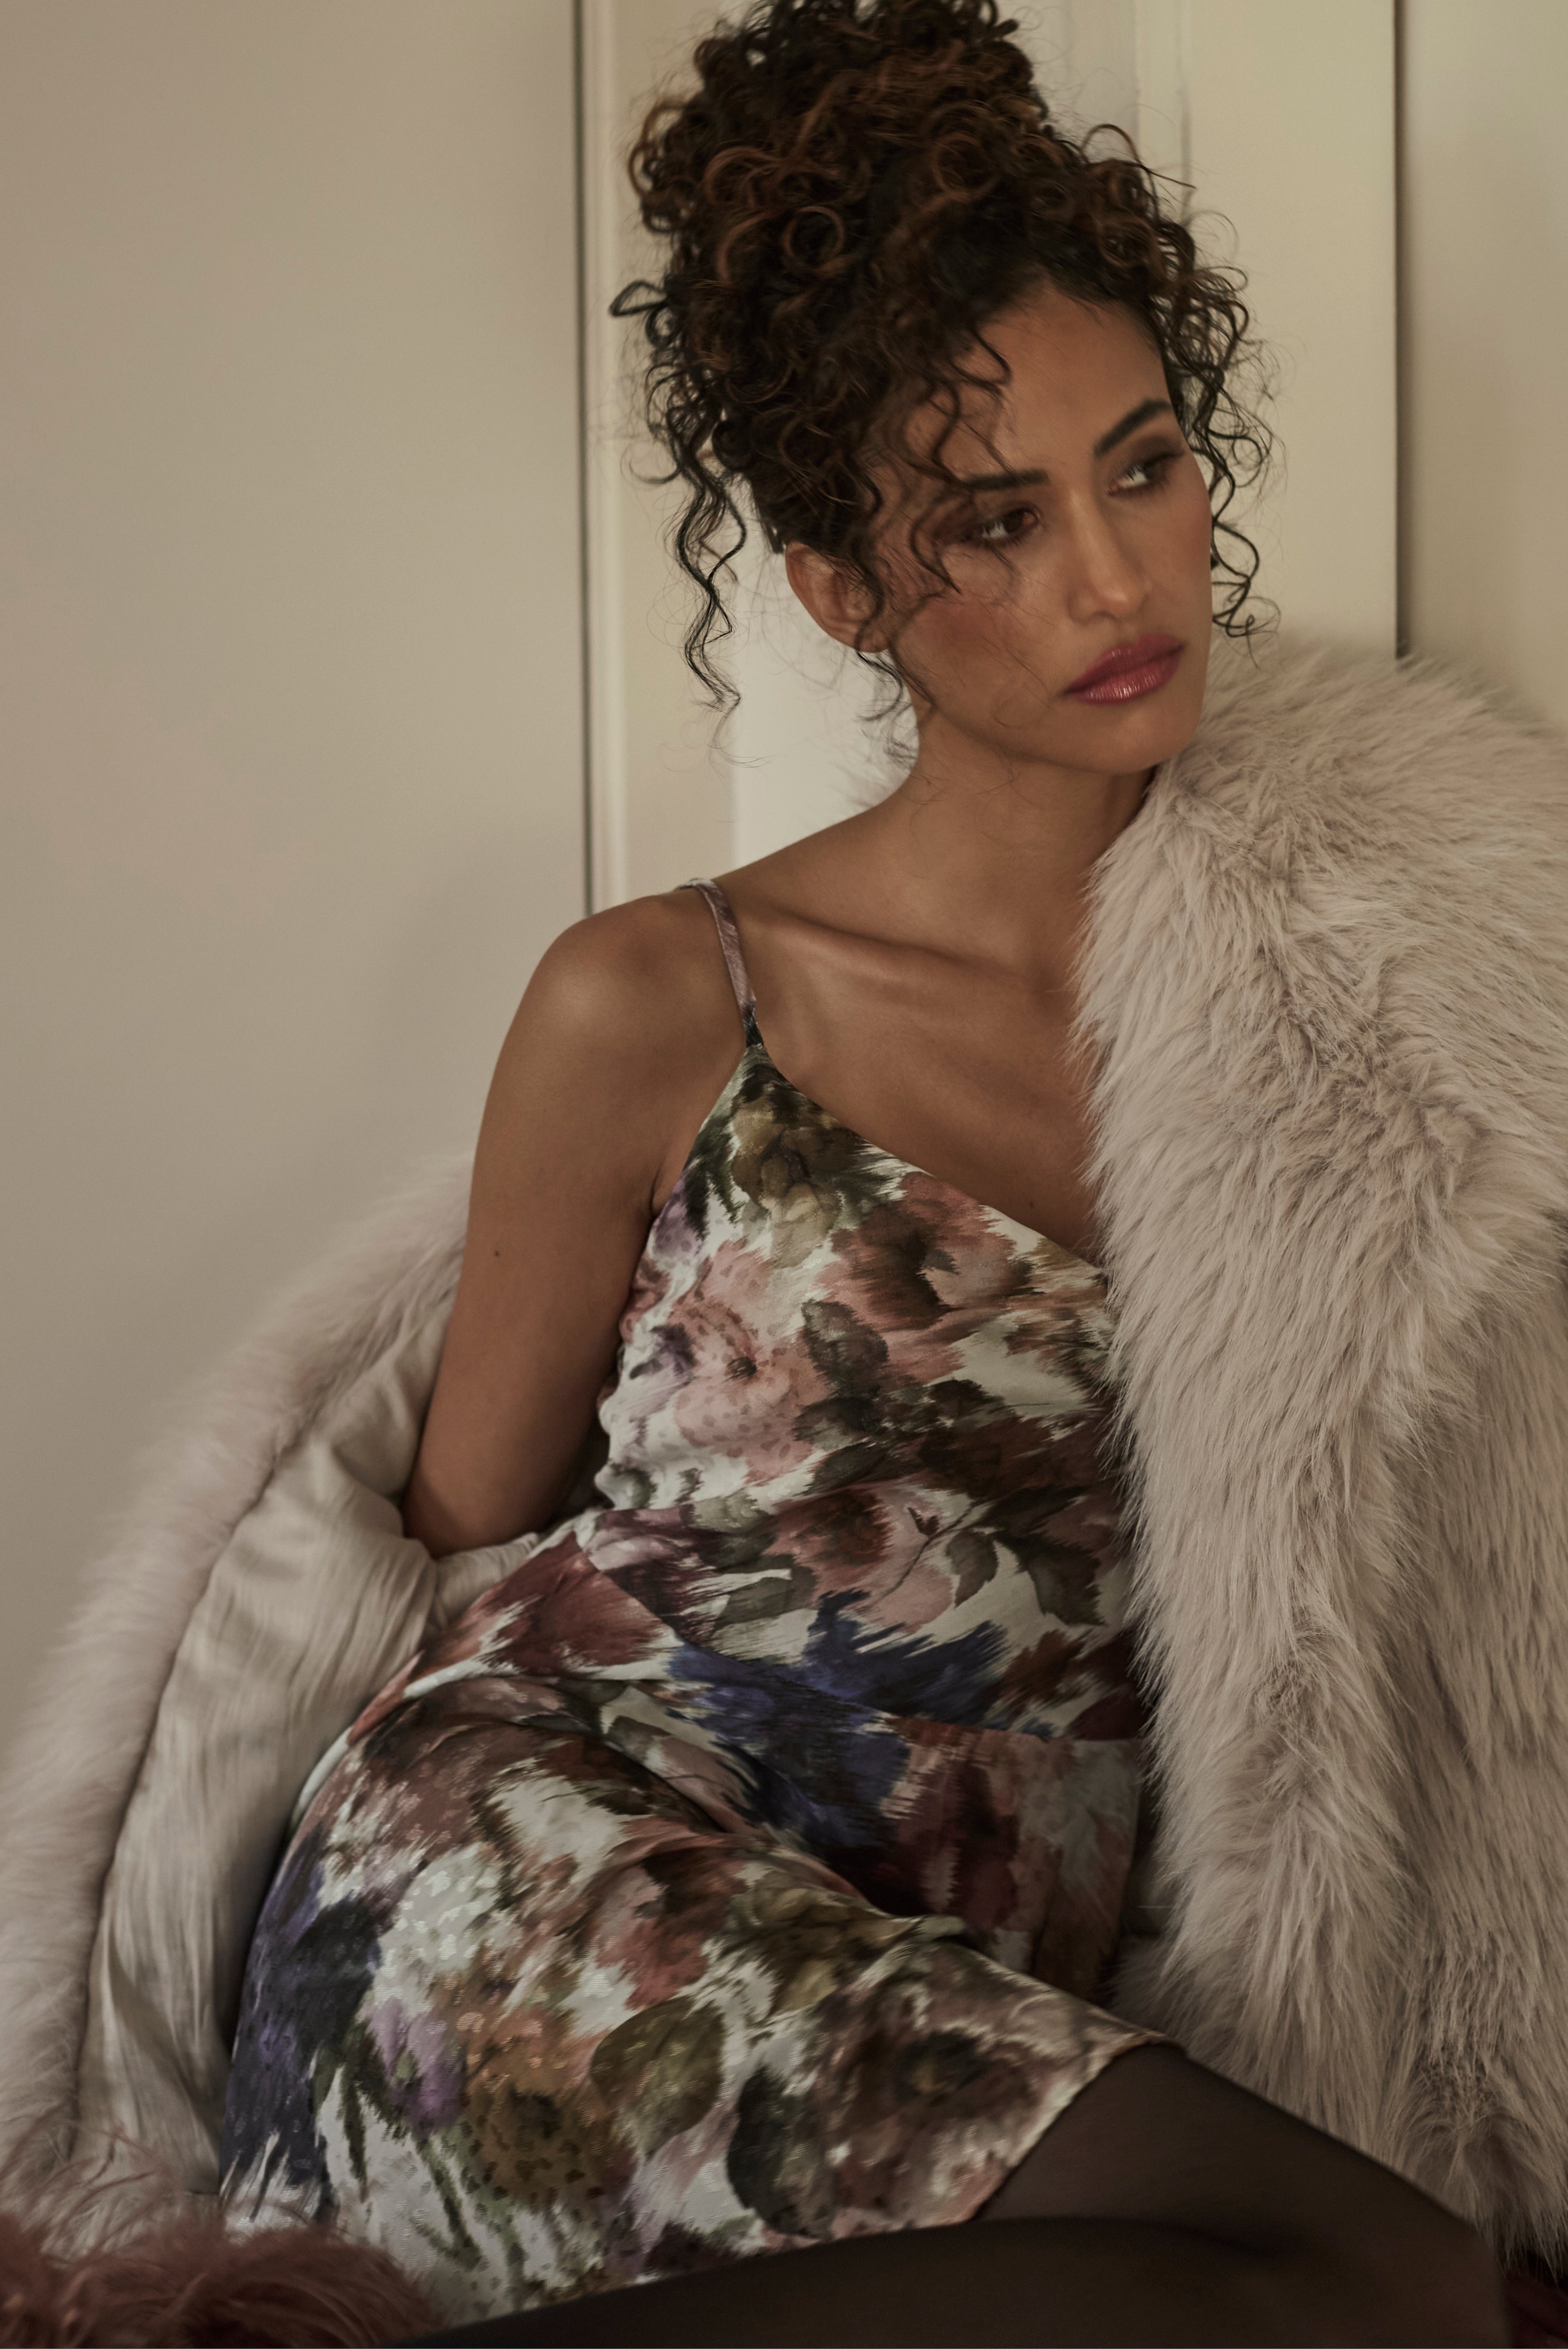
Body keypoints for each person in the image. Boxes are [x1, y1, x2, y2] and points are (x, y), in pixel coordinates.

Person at [216, 1, 1520, 2340]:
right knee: (1390, 2282)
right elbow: (455, 1524)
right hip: (545, 1864)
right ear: (838, 583)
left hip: (953, 1970)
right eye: (996, 523)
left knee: (1368, 2268)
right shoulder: (662, 996)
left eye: (1144, 468)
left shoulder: (1367, 1000)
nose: (1117, 581)